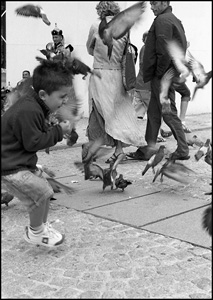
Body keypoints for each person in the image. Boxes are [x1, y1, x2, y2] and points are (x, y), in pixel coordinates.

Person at [1, 58, 73, 247]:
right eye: (61, 96)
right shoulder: (29, 110)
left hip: (16, 161)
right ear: (43, 94)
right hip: (9, 167)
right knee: (41, 192)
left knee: (45, 192)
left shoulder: (34, 105)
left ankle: (40, 228)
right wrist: (59, 131)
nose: (65, 101)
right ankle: (36, 232)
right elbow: (33, 142)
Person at [127, 1, 189, 161]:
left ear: (163, 3)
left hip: (161, 78)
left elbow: (163, 50)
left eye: (154, 3)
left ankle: (183, 149)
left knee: (168, 113)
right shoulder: (173, 19)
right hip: (164, 76)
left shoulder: (163, 20)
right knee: (154, 114)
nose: (152, 7)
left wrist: (160, 74)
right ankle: (148, 149)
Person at [86, 1, 144, 163]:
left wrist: (100, 55)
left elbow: (89, 48)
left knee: (98, 110)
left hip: (100, 74)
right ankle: (118, 149)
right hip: (119, 75)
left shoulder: (95, 25)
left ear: (100, 10)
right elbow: (127, 51)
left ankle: (96, 148)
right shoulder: (125, 27)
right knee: (117, 113)